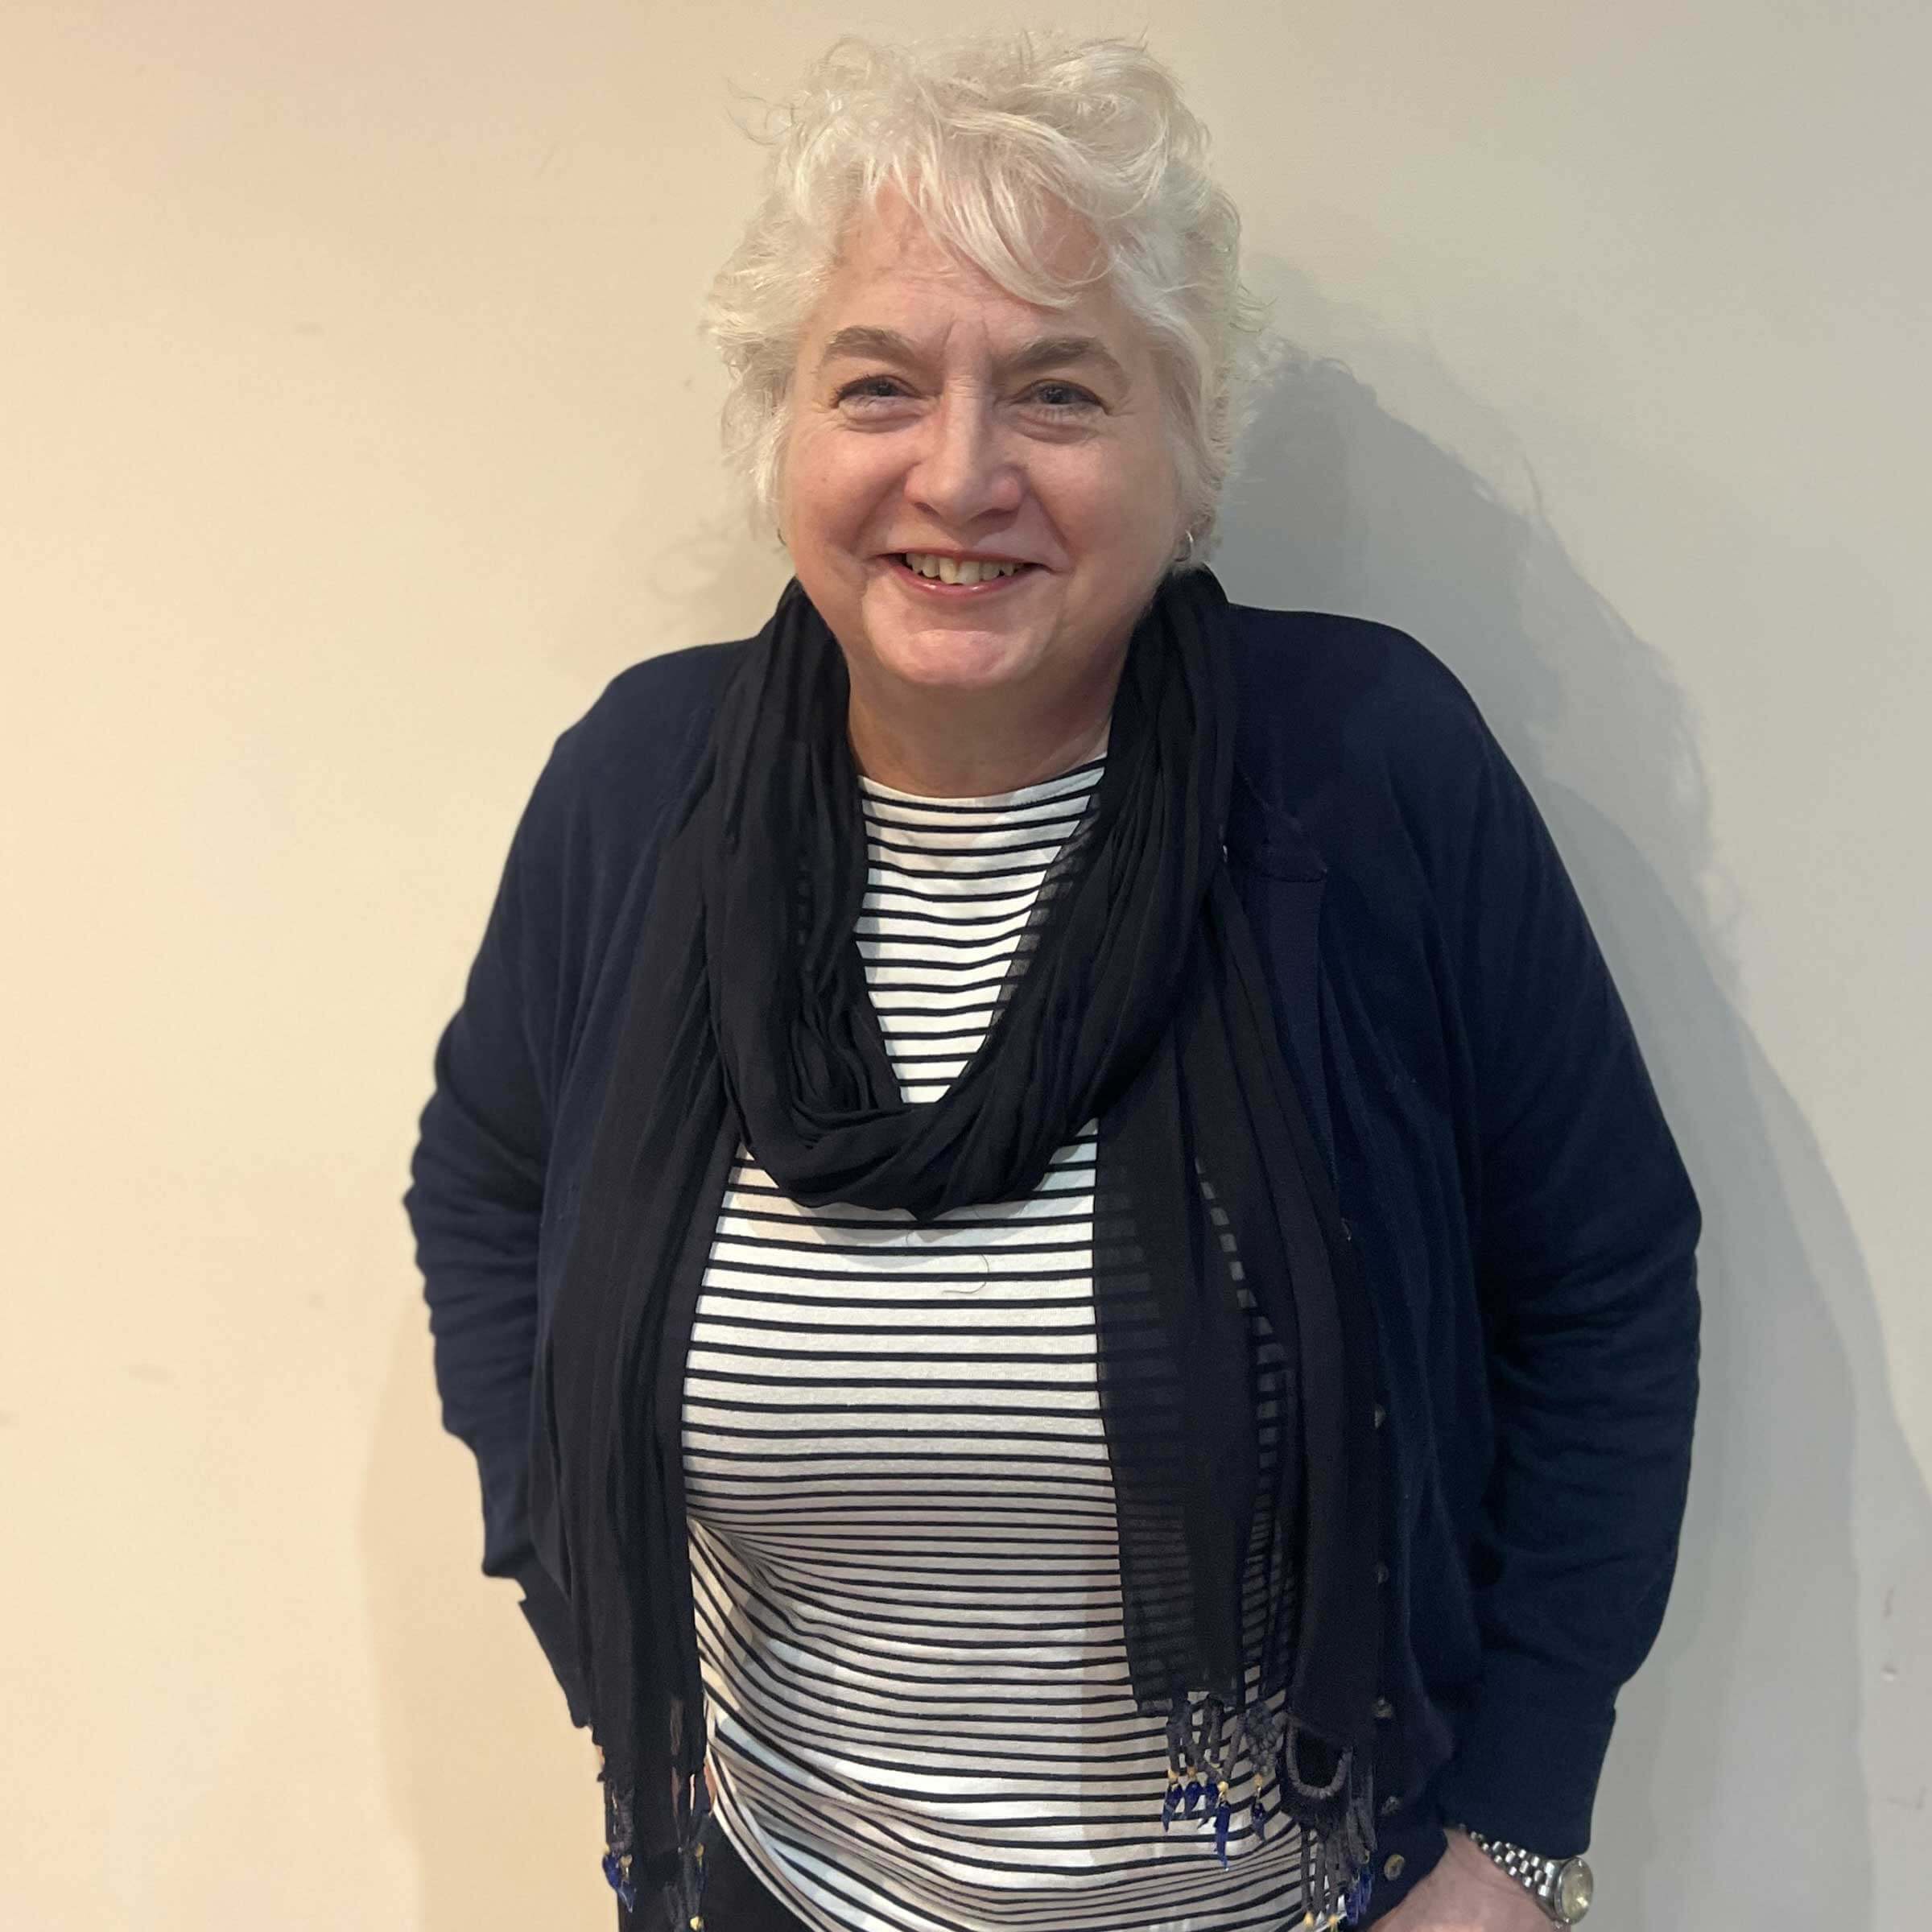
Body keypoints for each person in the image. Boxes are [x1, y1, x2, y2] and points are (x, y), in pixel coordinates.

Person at [404, 31, 1700, 1932]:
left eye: (1060, 391)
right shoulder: (640, 791)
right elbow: (488, 1185)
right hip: (773, 1886)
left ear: (1188, 457)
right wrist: (582, 1590)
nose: (961, 470)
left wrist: (1515, 1833)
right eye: (879, 384)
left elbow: (1599, 1291)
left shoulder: (1366, 768)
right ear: (789, 431)